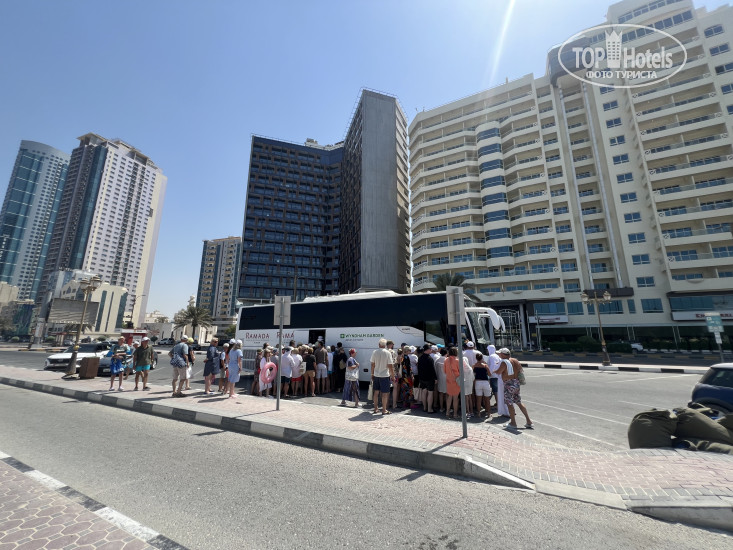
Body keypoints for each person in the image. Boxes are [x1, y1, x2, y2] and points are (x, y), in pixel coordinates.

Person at [495, 348, 533, 430]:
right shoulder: (515, 360)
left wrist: (493, 370)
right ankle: (529, 421)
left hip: (508, 383)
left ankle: (513, 423)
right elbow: (520, 370)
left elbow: (498, 372)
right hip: (516, 382)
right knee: (518, 402)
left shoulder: (504, 362)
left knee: (509, 403)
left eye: (500, 354)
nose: (499, 355)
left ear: (503, 354)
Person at [370, 338, 394, 415]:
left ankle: (375, 408)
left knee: (376, 392)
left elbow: (372, 364)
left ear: (379, 344)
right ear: (385, 345)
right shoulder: (388, 353)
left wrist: (372, 374)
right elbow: (390, 366)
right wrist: (392, 376)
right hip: (385, 375)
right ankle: (384, 410)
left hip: (376, 375)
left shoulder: (375, 352)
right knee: (384, 393)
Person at [487, 345, 508, 417]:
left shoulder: (491, 356)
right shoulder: (496, 356)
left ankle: (498, 404)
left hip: (493, 375)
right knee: (498, 390)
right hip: (498, 375)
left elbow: (492, 366)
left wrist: (490, 373)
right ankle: (498, 403)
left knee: (495, 391)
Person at [416, 343, 436, 413]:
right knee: (430, 393)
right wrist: (435, 378)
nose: (431, 350)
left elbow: (418, 368)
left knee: (424, 392)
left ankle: (424, 407)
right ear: (427, 350)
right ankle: (430, 409)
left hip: (422, 378)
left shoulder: (420, 358)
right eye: (430, 349)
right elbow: (432, 370)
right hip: (429, 378)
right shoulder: (430, 359)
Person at [443, 347, 461, 419]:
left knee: (449, 397)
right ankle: (455, 414)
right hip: (456, 380)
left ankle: (447, 412)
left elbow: (444, 371)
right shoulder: (457, 361)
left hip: (448, 380)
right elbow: (460, 371)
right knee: (455, 398)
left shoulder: (446, 360)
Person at [473, 352, 491, 419]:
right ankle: (488, 413)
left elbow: (473, 375)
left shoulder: (474, 366)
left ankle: (478, 413)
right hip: (485, 382)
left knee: (478, 399)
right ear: (482, 358)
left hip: (478, 382)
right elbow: (489, 374)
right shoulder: (485, 366)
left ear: (476, 358)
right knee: (487, 399)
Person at [386, 340, 399, 409]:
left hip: (385, 372)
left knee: (387, 388)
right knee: (395, 387)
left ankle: (387, 404)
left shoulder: (384, 352)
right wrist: (397, 372)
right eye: (392, 344)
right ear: (390, 344)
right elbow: (395, 363)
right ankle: (394, 404)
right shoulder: (392, 352)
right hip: (393, 372)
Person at [435, 347, 448, 412]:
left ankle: (441, 407)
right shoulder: (447, 360)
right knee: (447, 394)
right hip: (447, 378)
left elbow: (435, 369)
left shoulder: (437, 360)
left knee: (441, 393)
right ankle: (447, 408)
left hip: (439, 378)